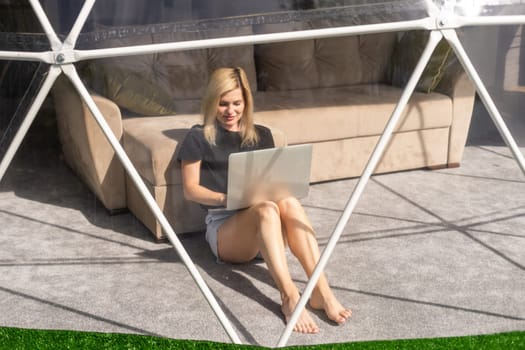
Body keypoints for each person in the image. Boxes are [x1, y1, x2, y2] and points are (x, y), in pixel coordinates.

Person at [177, 67, 351, 334]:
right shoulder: (198, 136)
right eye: (223, 104)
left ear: (246, 102)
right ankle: (289, 296)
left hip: (267, 228)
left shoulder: (262, 134)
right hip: (226, 228)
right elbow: (190, 189)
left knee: (288, 202)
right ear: (212, 101)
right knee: (267, 209)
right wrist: (228, 198)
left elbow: (273, 184)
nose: (230, 111)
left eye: (237, 103)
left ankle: (321, 291)